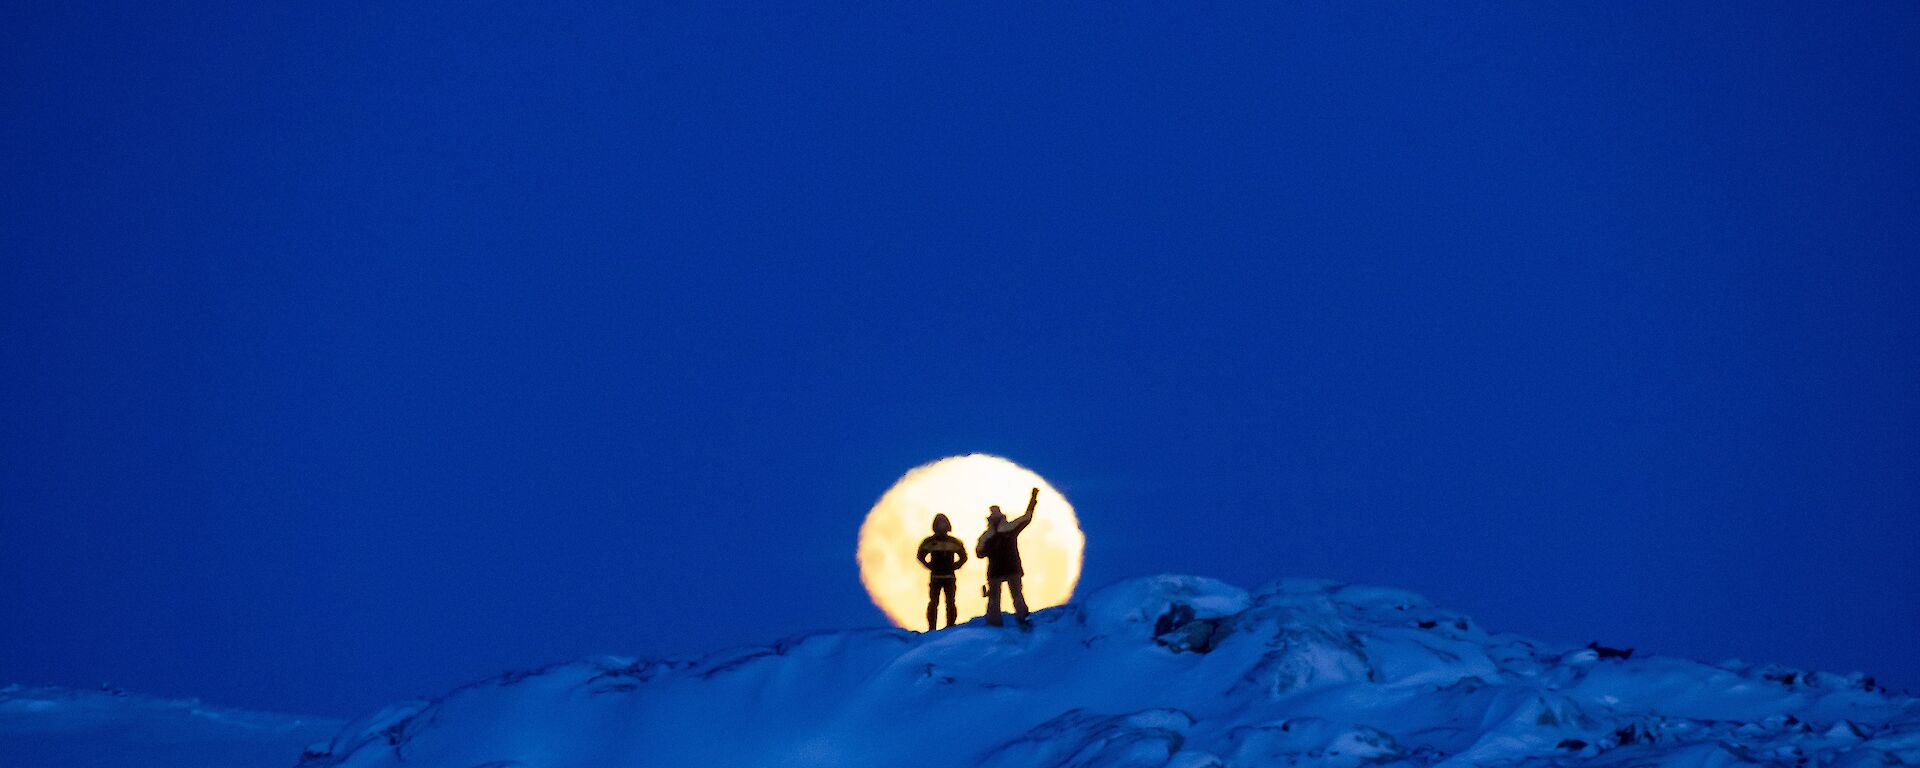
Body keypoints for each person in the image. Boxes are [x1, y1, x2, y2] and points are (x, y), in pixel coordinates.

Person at [975, 487, 1038, 627]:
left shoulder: (988, 535)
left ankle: (995, 623)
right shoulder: (1009, 528)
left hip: (1000, 570)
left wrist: (1033, 499)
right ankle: (1021, 619)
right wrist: (1033, 499)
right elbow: (1027, 517)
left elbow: (979, 553)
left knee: (998, 598)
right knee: (1011, 596)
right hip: (1008, 568)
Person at [915, 513, 968, 631]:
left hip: (949, 577)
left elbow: (964, 557)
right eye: (939, 524)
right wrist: (930, 566)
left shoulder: (955, 542)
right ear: (935, 525)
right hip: (936, 577)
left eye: (943, 523)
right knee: (933, 603)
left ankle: (950, 626)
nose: (941, 526)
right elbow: (920, 556)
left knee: (950, 602)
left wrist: (954, 566)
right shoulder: (929, 541)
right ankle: (932, 628)